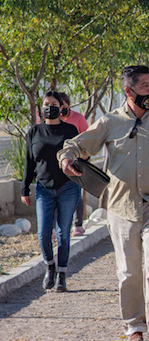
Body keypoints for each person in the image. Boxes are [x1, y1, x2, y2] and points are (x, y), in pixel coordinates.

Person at [59, 65, 149, 341]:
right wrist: (66, 158)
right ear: (128, 91)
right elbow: (76, 145)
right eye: (144, 86)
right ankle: (134, 326)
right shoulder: (110, 121)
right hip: (121, 207)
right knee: (129, 270)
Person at [22, 91, 81, 292]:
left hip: (68, 187)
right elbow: (29, 162)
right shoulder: (34, 132)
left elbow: (80, 156)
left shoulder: (71, 130)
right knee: (43, 232)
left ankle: (62, 275)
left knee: (64, 233)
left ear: (62, 107)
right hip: (43, 189)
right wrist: (24, 189)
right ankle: (50, 266)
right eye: (46, 103)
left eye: (53, 103)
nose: (49, 106)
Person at [58, 93, 89, 236]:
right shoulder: (50, 119)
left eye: (63, 104)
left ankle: (77, 224)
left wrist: (84, 158)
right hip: (57, 161)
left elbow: (87, 139)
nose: (61, 107)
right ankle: (56, 226)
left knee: (75, 192)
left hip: (76, 161)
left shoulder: (78, 119)